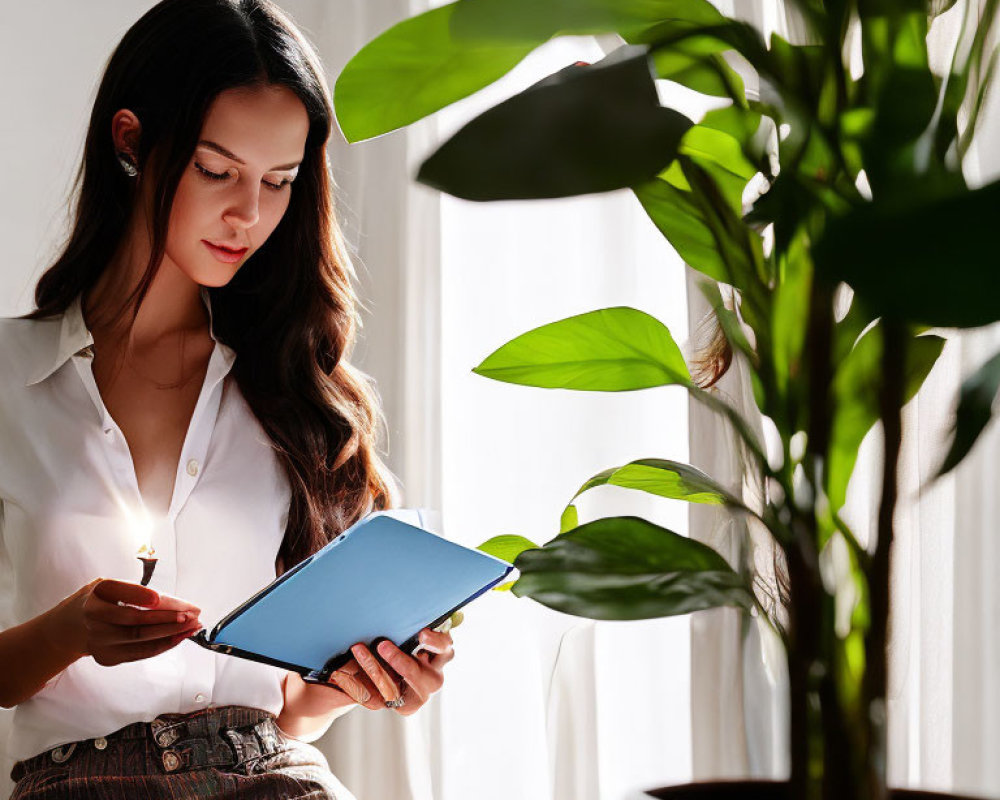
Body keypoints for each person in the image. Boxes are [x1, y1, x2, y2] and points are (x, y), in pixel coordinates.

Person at [0, 1, 455, 797]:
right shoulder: (10, 378)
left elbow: (292, 709)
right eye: (217, 171)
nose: (249, 215)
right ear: (132, 142)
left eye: (278, 182)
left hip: (273, 777)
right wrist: (69, 631)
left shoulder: (289, 386)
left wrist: (356, 680)